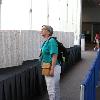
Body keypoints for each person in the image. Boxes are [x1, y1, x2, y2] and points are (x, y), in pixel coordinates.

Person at [40, 25, 61, 100]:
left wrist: (52, 69)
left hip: (52, 67)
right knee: (55, 87)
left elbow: (54, 55)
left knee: (51, 89)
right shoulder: (47, 41)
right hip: (49, 66)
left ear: (48, 32)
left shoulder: (51, 41)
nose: (41, 30)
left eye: (43, 29)